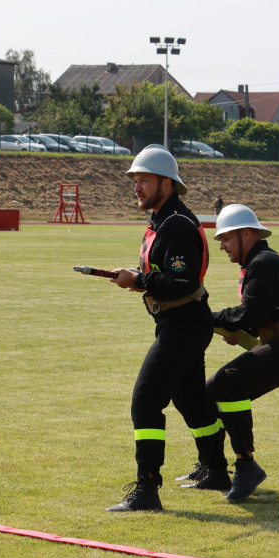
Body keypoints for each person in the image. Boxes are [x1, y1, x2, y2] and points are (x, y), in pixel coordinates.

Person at [106, 145, 227, 512]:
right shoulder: (164, 220)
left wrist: (138, 280)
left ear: (167, 183)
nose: (137, 187)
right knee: (191, 401)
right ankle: (217, 471)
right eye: (134, 180)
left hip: (184, 324)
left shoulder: (175, 223)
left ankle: (146, 490)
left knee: (146, 401)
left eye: (143, 180)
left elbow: (184, 282)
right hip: (178, 323)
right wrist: (137, 277)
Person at [199, 204, 279, 501]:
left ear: (247, 234)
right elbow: (263, 313)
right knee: (212, 391)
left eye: (225, 238)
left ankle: (246, 464)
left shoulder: (264, 263)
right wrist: (242, 329)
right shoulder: (261, 262)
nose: (222, 246)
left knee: (226, 383)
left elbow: (251, 312)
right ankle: (214, 467)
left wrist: (210, 318)